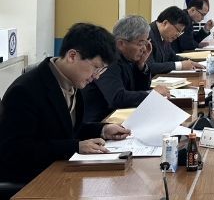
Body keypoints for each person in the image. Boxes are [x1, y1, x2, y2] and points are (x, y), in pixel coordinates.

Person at [0, 23, 130, 185]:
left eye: (101, 71)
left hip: (61, 170)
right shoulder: (25, 91)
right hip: (31, 180)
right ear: (72, 56)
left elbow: (67, 129)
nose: (96, 76)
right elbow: (16, 150)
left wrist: (102, 130)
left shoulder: (73, 82)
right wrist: (75, 147)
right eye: (96, 68)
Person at [83, 16, 171, 123]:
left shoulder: (128, 57)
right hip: (100, 123)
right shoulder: (108, 60)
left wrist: (141, 64)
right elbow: (117, 98)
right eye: (140, 43)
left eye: (146, 42)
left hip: (119, 117)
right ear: (121, 43)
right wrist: (151, 94)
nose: (144, 48)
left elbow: (138, 90)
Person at [148, 6, 204, 75]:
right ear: (165, 23)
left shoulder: (165, 36)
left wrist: (190, 62)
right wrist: (180, 65)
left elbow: (172, 56)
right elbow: (150, 67)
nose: (178, 35)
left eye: (180, 32)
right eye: (178, 30)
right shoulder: (147, 35)